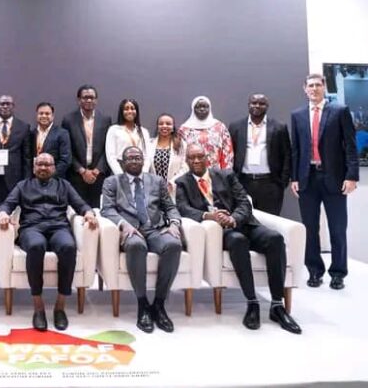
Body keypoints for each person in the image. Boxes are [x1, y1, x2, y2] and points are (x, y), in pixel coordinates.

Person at [176, 144, 301, 334]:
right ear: (186, 161)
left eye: (200, 156)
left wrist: (233, 218)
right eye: (191, 158)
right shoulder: (183, 183)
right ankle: (252, 303)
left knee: (275, 239)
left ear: (207, 158)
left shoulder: (226, 175)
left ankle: (277, 305)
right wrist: (209, 216)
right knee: (238, 241)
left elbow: (244, 202)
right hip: (222, 232)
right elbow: (183, 209)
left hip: (244, 223)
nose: (196, 161)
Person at [0, 153, 98, 332]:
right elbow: (7, 204)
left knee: (68, 246)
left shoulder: (64, 185)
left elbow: (80, 204)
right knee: (36, 246)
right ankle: (38, 307)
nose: (43, 168)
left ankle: (60, 306)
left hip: (58, 227)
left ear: (54, 168)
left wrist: (88, 213)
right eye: (40, 164)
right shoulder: (23, 186)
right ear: (34, 167)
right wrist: (4, 214)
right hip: (32, 228)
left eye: (47, 165)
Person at [101, 146, 182, 333]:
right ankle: (142, 304)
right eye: (130, 158)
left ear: (143, 161)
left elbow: (170, 207)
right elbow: (107, 209)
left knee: (173, 245)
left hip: (155, 229)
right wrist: (123, 224)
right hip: (131, 231)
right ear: (122, 162)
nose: (135, 161)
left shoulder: (156, 181)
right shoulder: (112, 182)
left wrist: (174, 224)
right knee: (136, 246)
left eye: (138, 158)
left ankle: (159, 304)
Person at [290, 73, 359, 290]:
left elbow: (351, 146)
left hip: (334, 178)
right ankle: (314, 270)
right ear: (304, 89)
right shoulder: (297, 115)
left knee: (337, 228)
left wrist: (351, 176)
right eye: (310, 85)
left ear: (324, 87)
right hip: (307, 179)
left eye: (318, 85)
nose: (314, 89)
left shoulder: (339, 111)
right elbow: (295, 149)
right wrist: (294, 177)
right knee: (310, 229)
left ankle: (338, 273)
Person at [229, 94, 291, 215]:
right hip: (243, 183)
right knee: (244, 219)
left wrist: (282, 182)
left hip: (270, 184)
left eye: (261, 103)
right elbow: (230, 154)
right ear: (248, 105)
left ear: (267, 106)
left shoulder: (279, 127)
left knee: (270, 220)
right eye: (254, 103)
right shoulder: (236, 127)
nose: (257, 106)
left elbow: (287, 154)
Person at [61, 84, 112, 207]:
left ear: (96, 100)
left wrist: (97, 170)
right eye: (85, 97)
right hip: (77, 175)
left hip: (99, 175)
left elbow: (108, 148)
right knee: (79, 210)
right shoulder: (68, 120)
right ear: (79, 100)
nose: (89, 100)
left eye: (92, 97)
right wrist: (82, 171)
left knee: (98, 210)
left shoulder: (105, 120)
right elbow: (67, 149)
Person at [178, 96, 234, 170]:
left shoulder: (220, 127)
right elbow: (180, 154)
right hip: (191, 172)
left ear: (210, 108)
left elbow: (227, 151)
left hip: (215, 172)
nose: (202, 109)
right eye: (198, 107)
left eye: (205, 106)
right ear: (193, 109)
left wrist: (225, 172)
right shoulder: (184, 129)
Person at [145, 113, 188, 197]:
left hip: (175, 189)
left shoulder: (181, 144)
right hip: (154, 190)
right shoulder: (149, 144)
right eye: (161, 124)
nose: (164, 126)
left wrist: (172, 182)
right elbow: (146, 167)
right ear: (157, 127)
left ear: (173, 127)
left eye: (168, 124)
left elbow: (185, 167)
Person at [106, 99, 151, 175]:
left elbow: (147, 155)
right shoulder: (114, 129)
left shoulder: (143, 131)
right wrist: (120, 175)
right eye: (126, 109)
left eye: (132, 108)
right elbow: (111, 156)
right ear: (121, 112)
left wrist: (143, 173)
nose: (130, 111)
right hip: (121, 168)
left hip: (140, 170)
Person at [30, 102, 71, 178]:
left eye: (47, 113)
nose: (44, 116)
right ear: (37, 115)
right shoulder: (31, 133)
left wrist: (49, 176)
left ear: (52, 116)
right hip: (34, 179)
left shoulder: (62, 133)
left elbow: (65, 160)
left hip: (54, 179)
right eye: (41, 113)